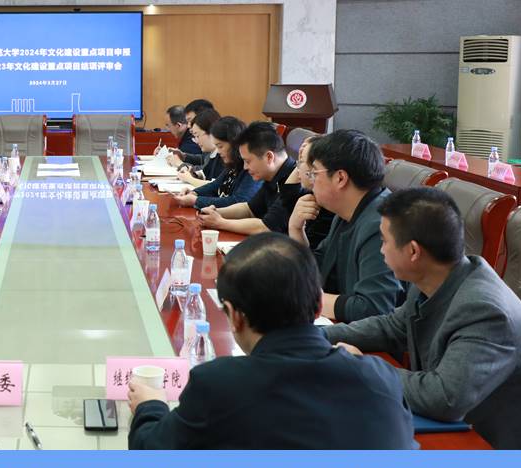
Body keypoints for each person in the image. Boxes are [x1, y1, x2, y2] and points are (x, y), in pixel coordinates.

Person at [128, 233, 415, 449]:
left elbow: (152, 454)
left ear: (234, 316)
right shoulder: (381, 378)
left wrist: (150, 405)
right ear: (318, 307)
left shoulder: (217, 384)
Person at [326, 188, 521, 449]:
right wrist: (317, 335)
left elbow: (443, 398)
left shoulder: (485, 310)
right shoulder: (437, 277)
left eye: (384, 241)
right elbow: (392, 327)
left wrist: (364, 368)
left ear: (413, 251)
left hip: (497, 448)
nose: (381, 250)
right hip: (460, 428)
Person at [288, 130, 403, 323]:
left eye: (314, 173)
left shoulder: (381, 224)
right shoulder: (347, 212)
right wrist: (295, 230)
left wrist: (305, 298)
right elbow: (318, 268)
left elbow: (373, 308)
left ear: (340, 178)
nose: (310, 180)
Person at [198, 121, 333, 249]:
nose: (245, 167)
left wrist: (220, 222)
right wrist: (217, 212)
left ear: (269, 157)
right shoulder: (272, 175)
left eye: (248, 161)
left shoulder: (296, 183)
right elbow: (249, 209)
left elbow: (267, 227)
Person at [173, 116, 262, 210]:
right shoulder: (233, 164)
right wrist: (195, 192)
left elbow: (238, 201)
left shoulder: (250, 168)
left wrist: (196, 200)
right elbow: (215, 185)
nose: (218, 152)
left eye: (220, 146)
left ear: (234, 144)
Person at [167, 109, 223, 188]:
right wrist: (194, 173)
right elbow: (204, 170)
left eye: (197, 136)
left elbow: (217, 186)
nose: (196, 141)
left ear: (211, 132)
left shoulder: (222, 155)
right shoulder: (212, 152)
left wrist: (183, 167)